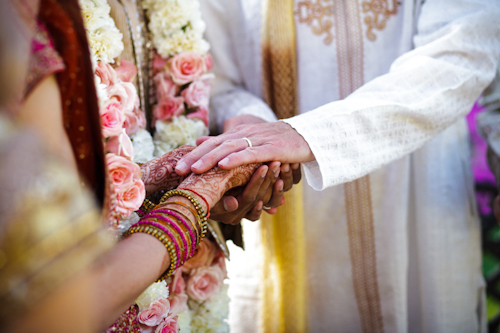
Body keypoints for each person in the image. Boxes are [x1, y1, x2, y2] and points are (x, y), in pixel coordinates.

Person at [175, 0, 500, 331]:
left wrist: (307, 136)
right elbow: (220, 81)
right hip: (283, 200)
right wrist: (251, 125)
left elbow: (457, 57)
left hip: (420, 211)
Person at [0, 0, 279, 331]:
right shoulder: (33, 21)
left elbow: (215, 88)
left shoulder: (167, 10)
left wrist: (163, 174)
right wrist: (199, 194)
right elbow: (54, 297)